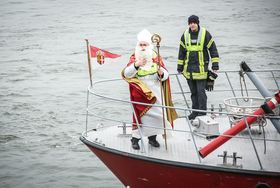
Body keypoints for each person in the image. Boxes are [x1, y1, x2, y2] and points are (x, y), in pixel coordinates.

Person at [122, 29, 177, 150]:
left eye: (145, 45)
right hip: (140, 94)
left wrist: (161, 73)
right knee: (140, 118)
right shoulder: (134, 58)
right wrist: (136, 65)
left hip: (156, 93)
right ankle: (135, 139)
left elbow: (165, 76)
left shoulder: (156, 58)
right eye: (140, 45)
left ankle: (152, 138)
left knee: (158, 117)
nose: (142, 47)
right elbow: (127, 74)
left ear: (149, 46)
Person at [177, 15, 219, 120]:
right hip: (189, 71)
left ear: (197, 23)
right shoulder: (185, 35)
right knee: (193, 93)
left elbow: (213, 49)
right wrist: (180, 67)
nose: (192, 24)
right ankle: (194, 112)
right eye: (190, 23)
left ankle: (202, 112)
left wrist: (215, 65)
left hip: (201, 70)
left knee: (201, 93)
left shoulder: (205, 34)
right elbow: (181, 52)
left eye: (194, 22)